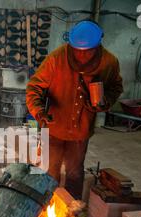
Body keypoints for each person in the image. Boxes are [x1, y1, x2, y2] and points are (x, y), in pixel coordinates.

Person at [26, 20, 123, 200]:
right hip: (54, 126)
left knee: (75, 173)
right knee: (49, 172)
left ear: (98, 44)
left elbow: (116, 87)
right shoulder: (57, 58)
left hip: (81, 130)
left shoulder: (109, 62)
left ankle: (72, 214)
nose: (81, 56)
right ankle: (44, 207)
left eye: (87, 51)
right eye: (77, 50)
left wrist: (104, 101)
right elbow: (34, 87)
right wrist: (39, 110)